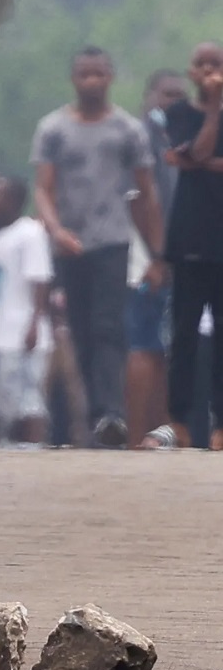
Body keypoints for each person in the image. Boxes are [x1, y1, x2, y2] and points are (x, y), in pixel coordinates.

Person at [31, 46, 165, 448]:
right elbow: (43, 187)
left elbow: (146, 194)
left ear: (110, 77)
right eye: (84, 74)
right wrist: (56, 230)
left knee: (109, 326)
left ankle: (112, 413)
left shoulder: (127, 130)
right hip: (70, 244)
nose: (92, 81)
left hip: (112, 240)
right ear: (74, 79)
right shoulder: (53, 128)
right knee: (84, 332)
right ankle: (95, 417)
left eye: (99, 74)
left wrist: (157, 254)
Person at [143, 42, 223, 450]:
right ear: (191, 72)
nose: (209, 71)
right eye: (202, 65)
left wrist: (195, 161)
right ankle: (182, 422)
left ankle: (220, 427)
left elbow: (194, 158)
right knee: (184, 336)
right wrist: (212, 113)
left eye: (216, 65)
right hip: (190, 237)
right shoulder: (179, 114)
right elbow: (197, 149)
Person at [124, 69, 188, 448]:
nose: (173, 101)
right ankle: (136, 435)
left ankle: (161, 431)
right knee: (144, 344)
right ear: (150, 96)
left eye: (180, 94)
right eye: (167, 94)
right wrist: (157, 256)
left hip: (174, 256)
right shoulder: (140, 136)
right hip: (145, 257)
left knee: (166, 347)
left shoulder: (179, 138)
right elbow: (138, 202)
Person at [0, 176, 54, 447]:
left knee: (30, 396)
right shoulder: (0, 237)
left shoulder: (30, 233)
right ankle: (7, 444)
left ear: (13, 200)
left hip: (25, 330)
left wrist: (35, 322)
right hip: (2, 330)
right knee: (3, 395)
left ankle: (34, 445)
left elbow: (40, 279)